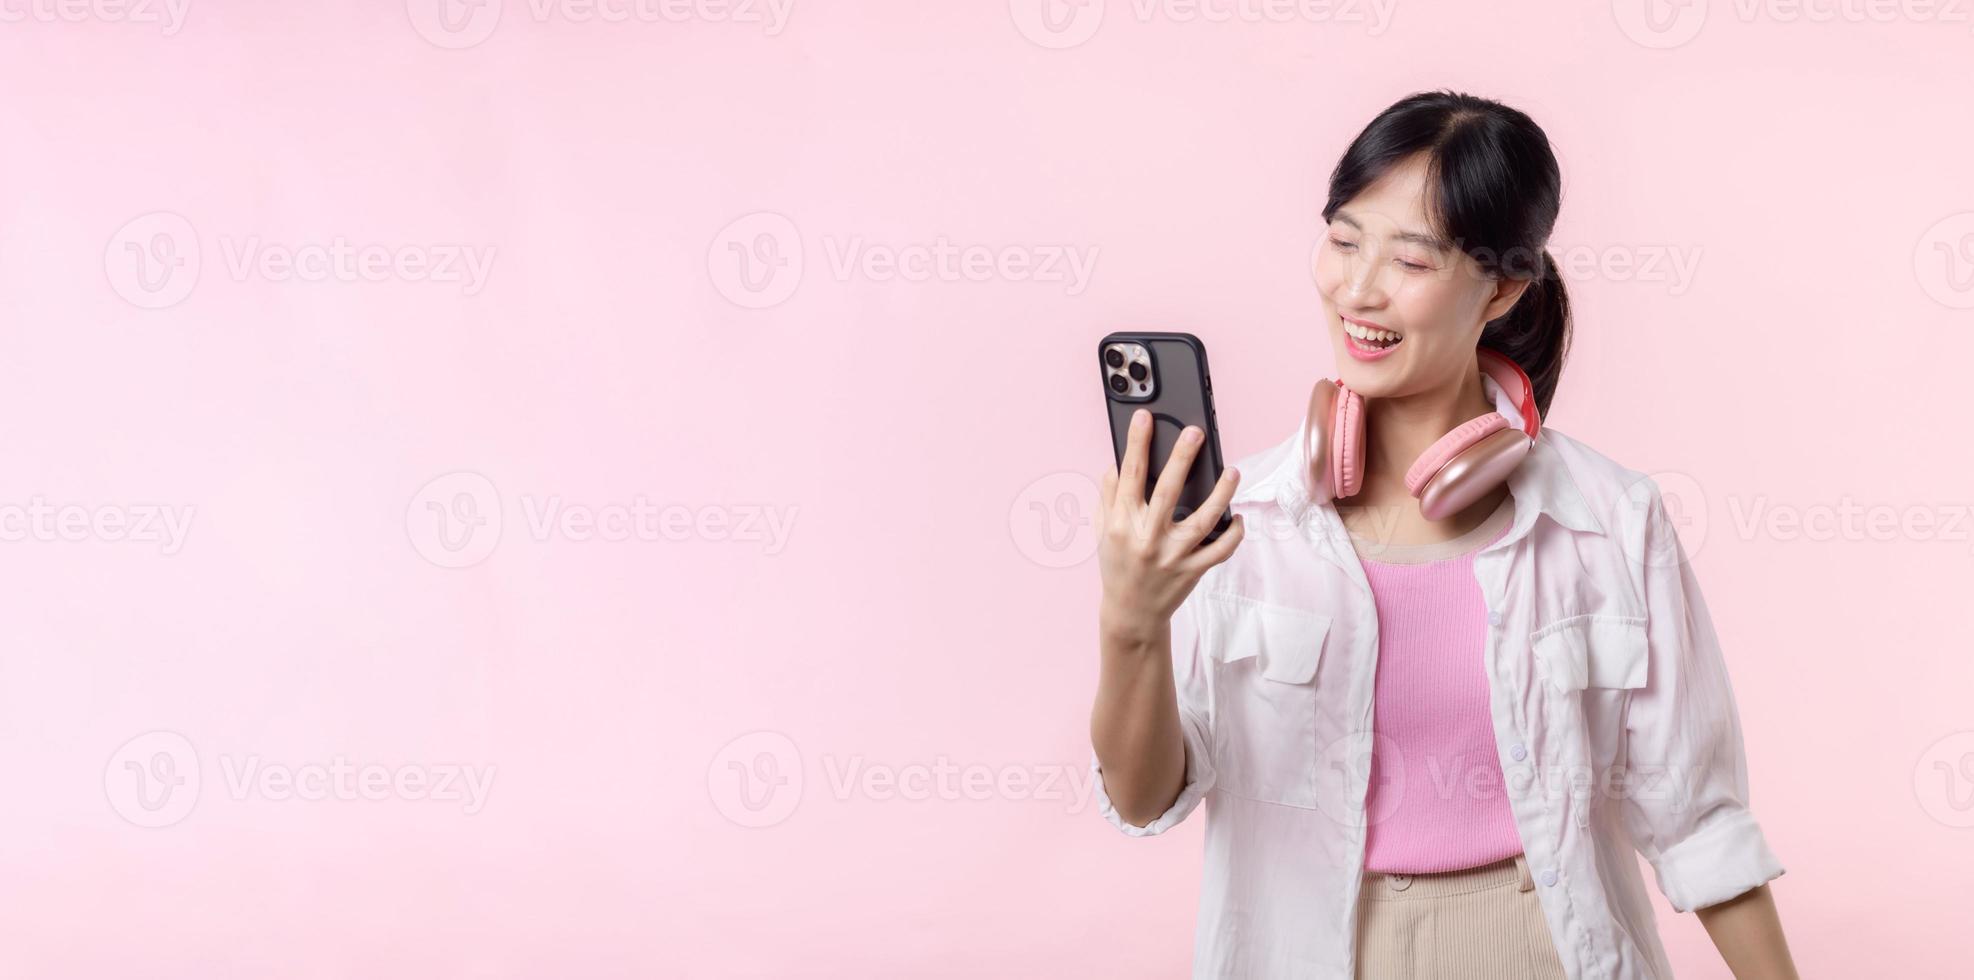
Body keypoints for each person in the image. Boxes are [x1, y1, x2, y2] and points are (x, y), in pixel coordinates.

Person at [1088, 90, 1799, 979]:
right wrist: (1131, 623)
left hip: (1543, 946)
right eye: (1344, 239)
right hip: (1312, 950)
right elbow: (1146, 798)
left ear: (1502, 286)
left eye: (1411, 258)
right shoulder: (1245, 523)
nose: (1357, 287)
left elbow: (1698, 821)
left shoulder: (1610, 520)